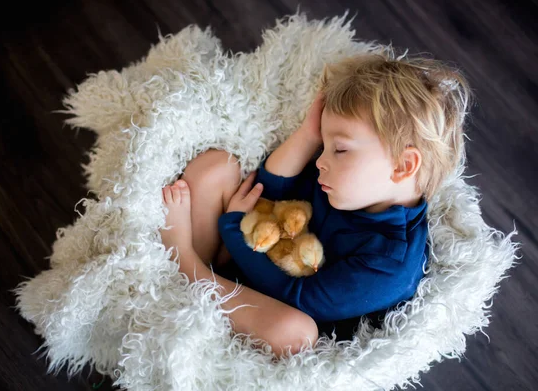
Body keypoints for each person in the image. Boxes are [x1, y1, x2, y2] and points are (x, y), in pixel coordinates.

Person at [159, 52, 471, 358]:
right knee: (215, 167)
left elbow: (297, 297)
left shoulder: (390, 264)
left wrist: (233, 229)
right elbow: (270, 188)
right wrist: (308, 135)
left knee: (295, 333)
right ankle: (202, 280)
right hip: (259, 259)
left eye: (340, 149)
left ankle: (187, 262)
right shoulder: (349, 186)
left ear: (403, 166)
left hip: (278, 304)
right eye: (323, 145)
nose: (320, 161)